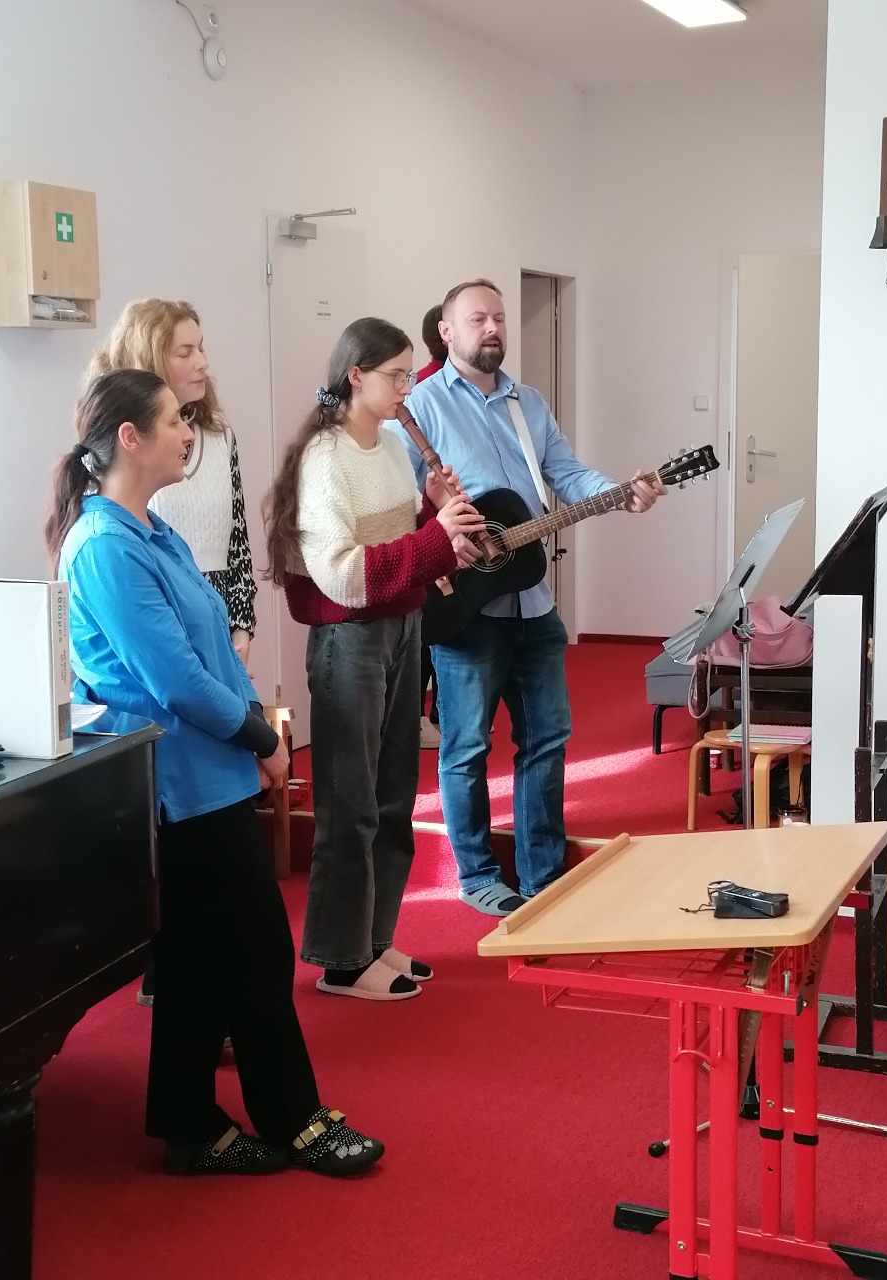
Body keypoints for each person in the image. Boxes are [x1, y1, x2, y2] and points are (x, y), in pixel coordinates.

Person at [44, 367, 383, 1176]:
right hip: (177, 786)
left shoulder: (150, 531)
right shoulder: (103, 547)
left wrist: (257, 732)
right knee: (256, 953)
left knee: (198, 959)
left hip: (212, 771)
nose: (188, 433)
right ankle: (295, 1120)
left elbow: (214, 657)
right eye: (174, 420)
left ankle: (189, 1125)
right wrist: (261, 741)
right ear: (130, 438)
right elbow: (174, 681)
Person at [385, 279, 664, 917]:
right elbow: (395, 505)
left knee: (548, 738)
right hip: (463, 604)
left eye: (500, 318)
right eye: (476, 319)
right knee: (466, 748)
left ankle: (542, 874)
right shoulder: (420, 407)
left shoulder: (527, 403)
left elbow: (566, 474)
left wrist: (621, 493)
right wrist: (440, 531)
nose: (492, 328)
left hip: (532, 600)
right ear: (446, 332)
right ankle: (478, 874)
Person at [264, 317, 485, 1001]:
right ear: (355, 376)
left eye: (409, 374)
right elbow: (342, 575)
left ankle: (374, 938)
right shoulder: (324, 458)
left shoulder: (391, 445)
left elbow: (399, 545)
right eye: (395, 376)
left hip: (401, 626)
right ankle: (340, 958)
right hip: (350, 638)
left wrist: (434, 515)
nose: (406, 388)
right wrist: (436, 538)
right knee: (350, 803)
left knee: (393, 799)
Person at [87, 298, 257, 1008]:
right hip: (177, 726)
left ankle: (197, 1058)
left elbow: (236, 542)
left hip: (210, 638)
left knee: (228, 948)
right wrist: (255, 730)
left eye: (201, 347)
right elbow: (170, 675)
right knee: (206, 945)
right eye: (185, 350)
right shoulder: (111, 535)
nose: (202, 362)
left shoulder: (204, 454)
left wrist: (238, 636)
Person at [415, 304, 448, 748]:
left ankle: (439, 711)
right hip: (431, 523)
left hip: (444, 519)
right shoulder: (426, 390)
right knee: (432, 629)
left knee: (443, 625)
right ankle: (427, 714)